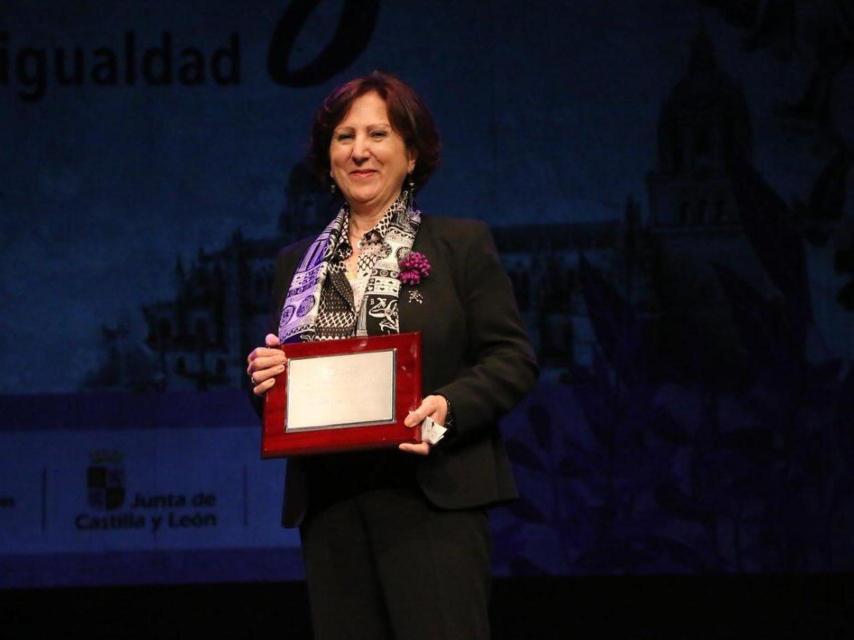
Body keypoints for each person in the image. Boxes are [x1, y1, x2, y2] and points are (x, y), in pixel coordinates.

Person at [246, 71, 537, 640]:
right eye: (344, 136)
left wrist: (447, 407)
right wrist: (263, 379)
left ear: (411, 154)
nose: (359, 151)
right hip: (331, 506)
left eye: (378, 135)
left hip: (432, 499)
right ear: (327, 157)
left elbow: (511, 358)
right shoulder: (295, 265)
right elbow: (282, 391)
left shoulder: (459, 245)